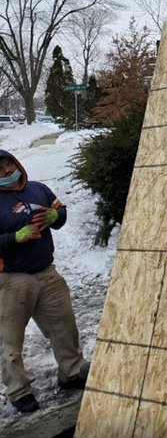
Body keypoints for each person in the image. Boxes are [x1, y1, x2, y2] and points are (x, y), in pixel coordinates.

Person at [0, 149, 88, 414]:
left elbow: (60, 212)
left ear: (16, 164)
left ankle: (71, 372)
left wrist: (54, 217)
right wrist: (15, 237)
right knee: (10, 340)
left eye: (8, 165)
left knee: (64, 327)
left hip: (47, 273)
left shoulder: (39, 189)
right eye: (0, 169)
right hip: (11, 280)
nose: (6, 172)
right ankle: (19, 390)